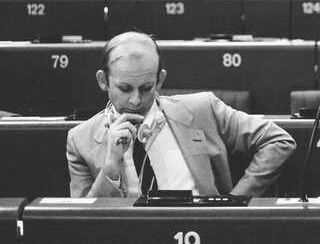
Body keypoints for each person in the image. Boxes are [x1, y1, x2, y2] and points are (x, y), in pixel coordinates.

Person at [66, 32, 296, 198]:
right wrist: (110, 166)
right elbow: (83, 224)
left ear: (160, 79)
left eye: (146, 88)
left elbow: (279, 140)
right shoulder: (80, 140)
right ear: (103, 81)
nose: (136, 100)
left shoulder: (203, 109)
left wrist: (236, 202)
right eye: (125, 89)